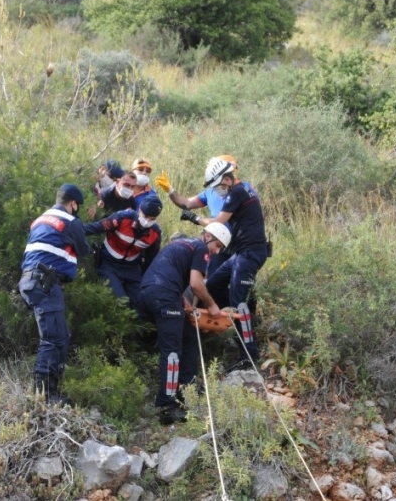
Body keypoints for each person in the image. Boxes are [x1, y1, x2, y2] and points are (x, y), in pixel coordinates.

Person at [138, 223, 232, 424]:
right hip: (164, 295)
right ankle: (167, 405)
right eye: (218, 246)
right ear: (208, 236)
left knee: (188, 338)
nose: (216, 252)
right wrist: (212, 306)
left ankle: (186, 390)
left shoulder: (181, 243)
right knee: (172, 352)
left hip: (149, 292)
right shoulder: (200, 248)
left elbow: (168, 273)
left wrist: (183, 301)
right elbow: (197, 284)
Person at [181, 157, 267, 372]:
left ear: (228, 179)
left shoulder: (238, 192)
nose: (219, 190)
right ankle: (235, 317)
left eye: (219, 185)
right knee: (213, 286)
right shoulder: (238, 191)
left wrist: (194, 219)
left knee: (240, 303)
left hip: (250, 253)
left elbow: (218, 222)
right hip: (239, 254)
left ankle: (248, 355)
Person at [19, 183, 90, 404]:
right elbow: (84, 250)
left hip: (30, 281)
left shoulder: (40, 219)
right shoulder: (71, 221)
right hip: (45, 282)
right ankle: (45, 396)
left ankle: (50, 392)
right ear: (73, 204)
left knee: (59, 337)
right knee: (52, 340)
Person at [154, 154, 245, 275]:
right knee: (214, 280)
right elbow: (186, 203)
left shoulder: (243, 190)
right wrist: (170, 190)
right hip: (217, 244)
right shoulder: (211, 192)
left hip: (239, 245)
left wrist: (195, 218)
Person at [83, 194, 163, 314]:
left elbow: (151, 260)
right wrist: (70, 229)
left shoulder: (155, 233)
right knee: (120, 302)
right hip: (109, 264)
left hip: (132, 269)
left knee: (142, 306)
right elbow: (96, 228)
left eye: (152, 219)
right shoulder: (122, 218)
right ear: (139, 210)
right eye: (145, 216)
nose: (147, 221)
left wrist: (148, 282)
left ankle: (137, 330)